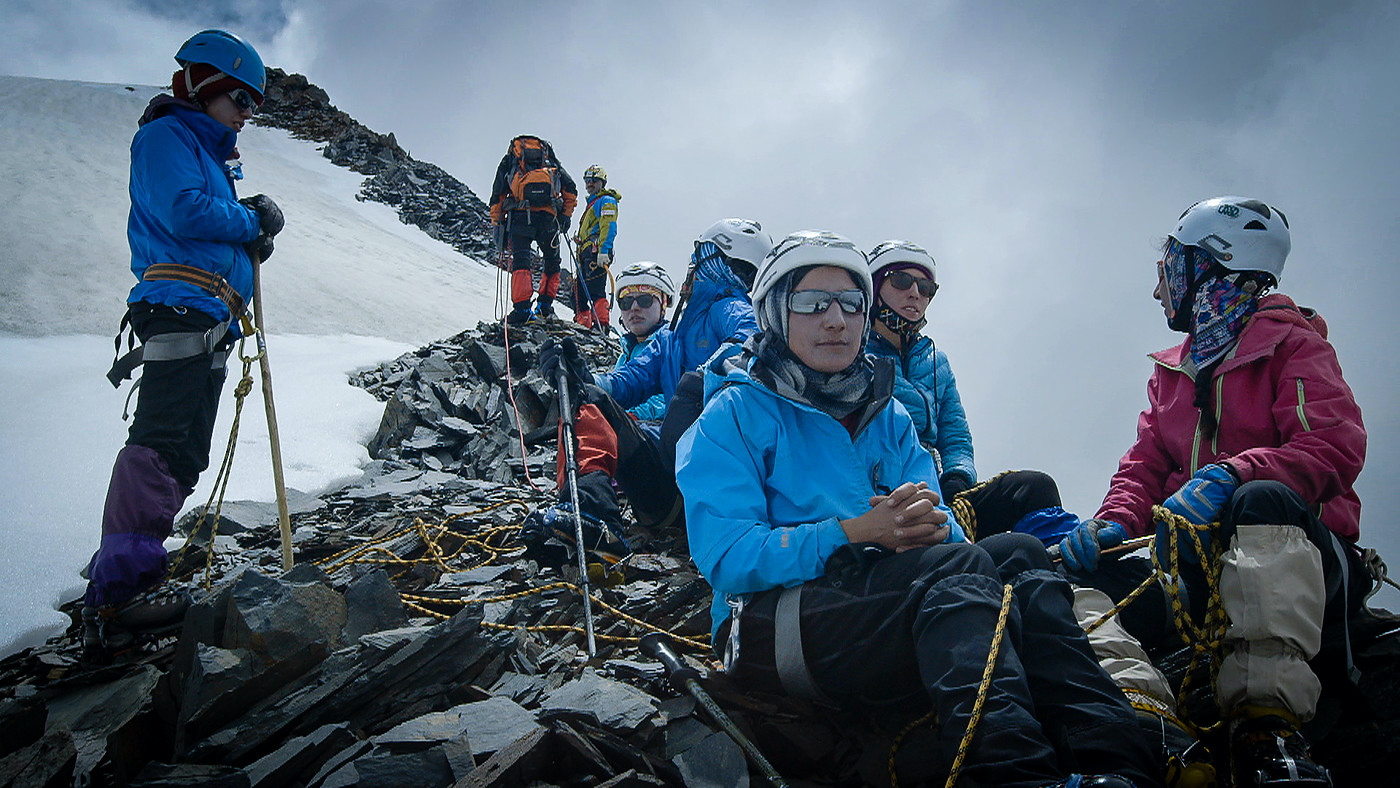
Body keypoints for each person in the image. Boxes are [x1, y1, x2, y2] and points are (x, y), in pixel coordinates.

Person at [675, 230, 1156, 788]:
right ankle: (1011, 775)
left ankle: (1119, 763)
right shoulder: (732, 414)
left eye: (850, 303)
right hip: (764, 628)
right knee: (961, 569)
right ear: (776, 314)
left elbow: (945, 529)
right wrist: (852, 533)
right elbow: (727, 555)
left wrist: (929, 524)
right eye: (812, 303)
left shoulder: (889, 417)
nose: (836, 319)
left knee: (1021, 555)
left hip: (876, 602)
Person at [1058, 196, 1366, 786]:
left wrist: (1235, 474)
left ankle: (1267, 734)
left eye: (1170, 269)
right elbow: (1145, 464)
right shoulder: (1173, 369)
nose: (1159, 291)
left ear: (1209, 265)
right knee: (1071, 581)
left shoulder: (1295, 346)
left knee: (1262, 499)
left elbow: (1332, 446)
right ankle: (1157, 733)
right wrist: (1114, 522)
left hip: (1301, 566)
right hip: (1196, 576)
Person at [84, 29, 284, 656]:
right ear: (204, 87)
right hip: (179, 310)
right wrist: (252, 222)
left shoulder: (207, 151)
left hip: (203, 314)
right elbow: (184, 211)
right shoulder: (166, 136)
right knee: (163, 440)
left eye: (252, 105)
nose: (247, 115)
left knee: (184, 449)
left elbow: (201, 221)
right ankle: (120, 595)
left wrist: (248, 244)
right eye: (240, 101)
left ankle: (135, 578)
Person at [530, 218, 773, 546]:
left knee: (591, 401)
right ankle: (591, 514)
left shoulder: (725, 307)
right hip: (683, 491)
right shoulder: (672, 336)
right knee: (589, 397)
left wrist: (703, 377)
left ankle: (594, 515)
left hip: (699, 493)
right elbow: (628, 381)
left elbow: (750, 335)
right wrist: (583, 379)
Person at [866, 240, 1080, 545]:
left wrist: (956, 479)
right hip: (890, 499)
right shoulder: (854, 358)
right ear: (874, 287)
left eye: (926, 287)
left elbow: (955, 437)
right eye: (901, 281)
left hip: (943, 493)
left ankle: (1067, 569)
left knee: (1035, 488)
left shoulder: (936, 362)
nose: (915, 293)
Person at [489, 135, 577, 324]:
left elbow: (498, 194)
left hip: (520, 217)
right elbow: (570, 188)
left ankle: (521, 309)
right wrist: (565, 216)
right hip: (548, 219)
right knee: (552, 262)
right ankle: (545, 306)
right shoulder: (549, 160)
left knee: (521, 261)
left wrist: (498, 224)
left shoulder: (511, 160)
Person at [610, 261, 676, 423]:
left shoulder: (676, 345)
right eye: (626, 302)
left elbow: (675, 394)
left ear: (664, 304)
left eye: (645, 300)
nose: (634, 308)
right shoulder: (625, 355)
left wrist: (634, 416)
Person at [572, 164, 620, 329]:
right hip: (586, 252)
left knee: (594, 289)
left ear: (602, 182)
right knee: (579, 290)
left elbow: (609, 226)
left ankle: (602, 325)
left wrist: (604, 250)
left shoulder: (606, 201)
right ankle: (584, 323)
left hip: (596, 252)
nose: (590, 184)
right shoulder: (593, 204)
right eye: (588, 181)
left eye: (594, 180)